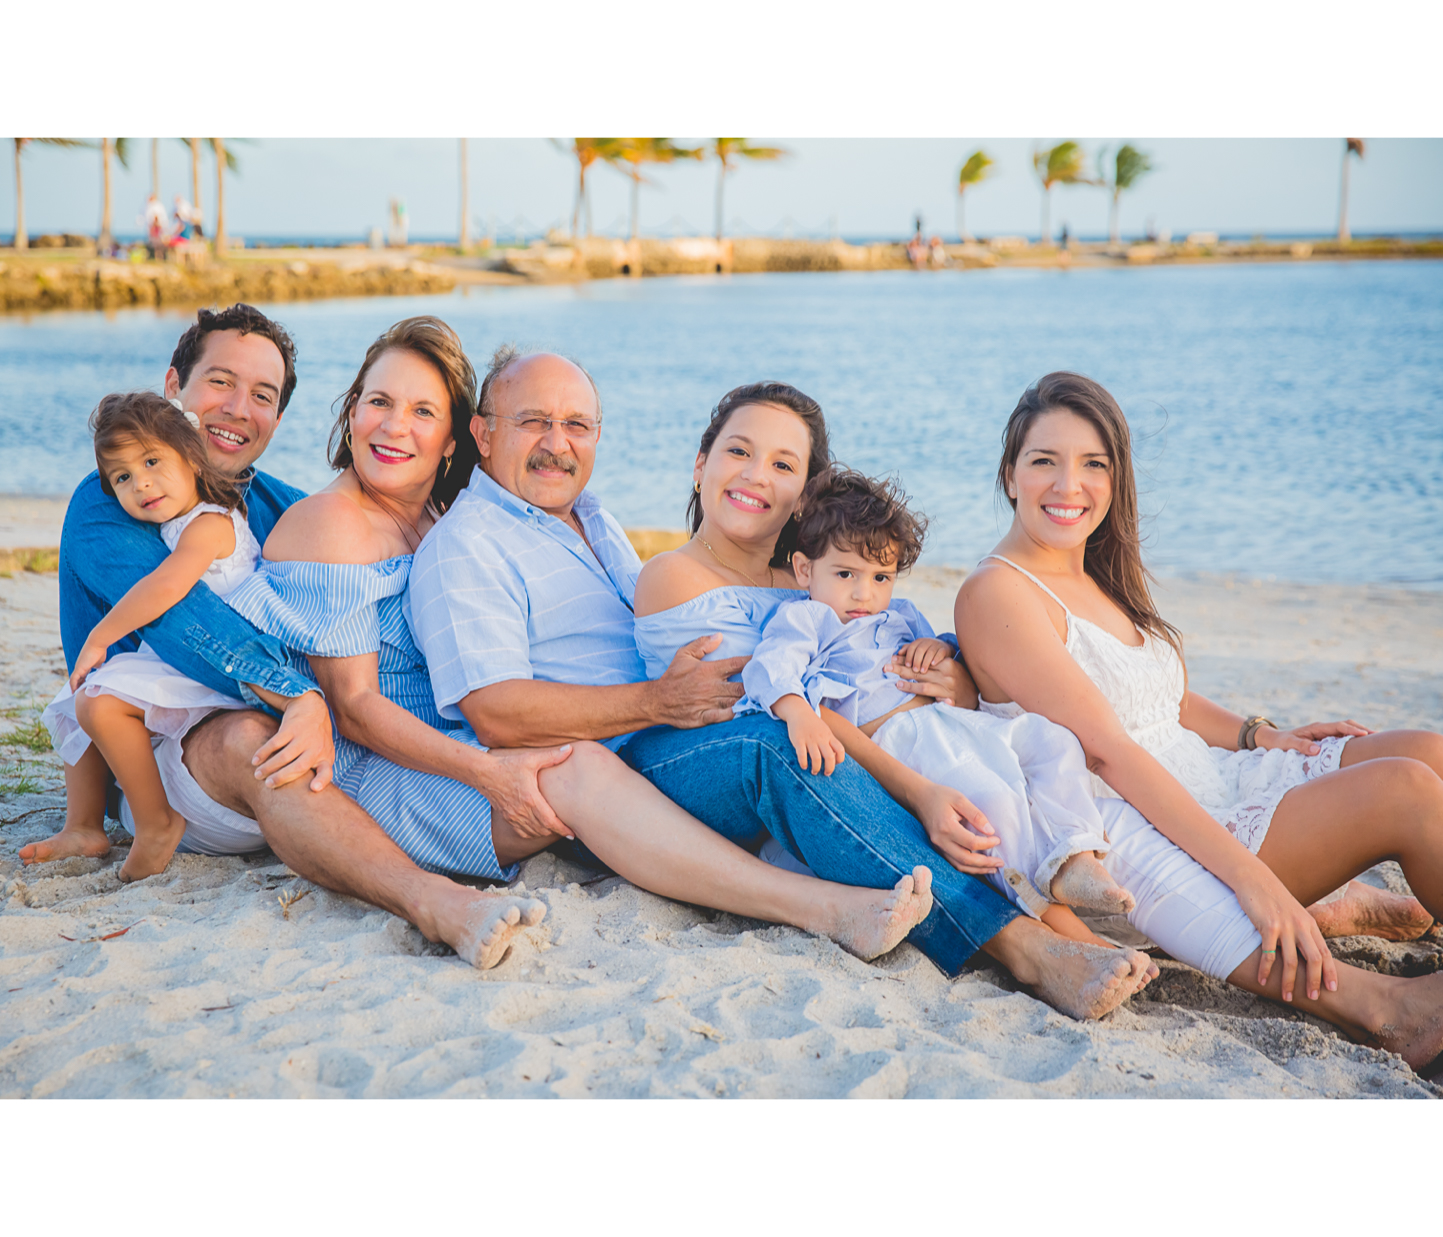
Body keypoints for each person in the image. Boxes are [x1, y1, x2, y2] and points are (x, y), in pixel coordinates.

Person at [235, 319, 936, 962]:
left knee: (828, 735)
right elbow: (436, 709)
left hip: (621, 756)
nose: (556, 441)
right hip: (500, 775)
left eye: (576, 425)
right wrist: (652, 703)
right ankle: (862, 912)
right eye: (533, 421)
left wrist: (931, 657)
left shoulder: (584, 518)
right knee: (713, 754)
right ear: (482, 435)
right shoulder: (440, 536)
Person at [25, 304, 550, 971]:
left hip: (298, 754)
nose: (238, 409)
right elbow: (189, 625)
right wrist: (300, 695)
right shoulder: (114, 499)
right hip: (162, 757)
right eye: (220, 381)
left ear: (277, 417)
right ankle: (432, 902)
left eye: (263, 395)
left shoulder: (277, 504)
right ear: (174, 386)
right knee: (252, 737)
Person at [953, 370, 1443, 1071]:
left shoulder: (1093, 571)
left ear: (1116, 478)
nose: (1069, 485)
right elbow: (1108, 749)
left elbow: (1167, 700)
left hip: (1207, 775)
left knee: (1427, 749)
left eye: (1093, 464)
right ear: (1009, 474)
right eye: (1044, 461)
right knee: (1406, 790)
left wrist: (1261, 734)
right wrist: (1252, 881)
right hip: (1153, 831)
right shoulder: (997, 592)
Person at [735, 465, 1132, 920]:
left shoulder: (899, 614)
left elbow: (951, 658)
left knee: (1053, 740)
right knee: (990, 798)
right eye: (846, 574)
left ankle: (1077, 853)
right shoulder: (807, 618)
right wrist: (798, 713)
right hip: (900, 741)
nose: (864, 593)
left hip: (949, 722)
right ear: (805, 569)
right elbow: (769, 669)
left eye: (880, 577)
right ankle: (1028, 892)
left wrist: (940, 647)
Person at [41, 391, 259, 880]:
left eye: (152, 461)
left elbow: (167, 586)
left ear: (193, 459)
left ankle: (156, 822)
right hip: (181, 656)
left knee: (100, 703)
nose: (140, 483)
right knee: (78, 695)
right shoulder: (173, 524)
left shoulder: (210, 523)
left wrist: (101, 634)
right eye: (122, 477)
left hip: (216, 664)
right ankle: (83, 825)